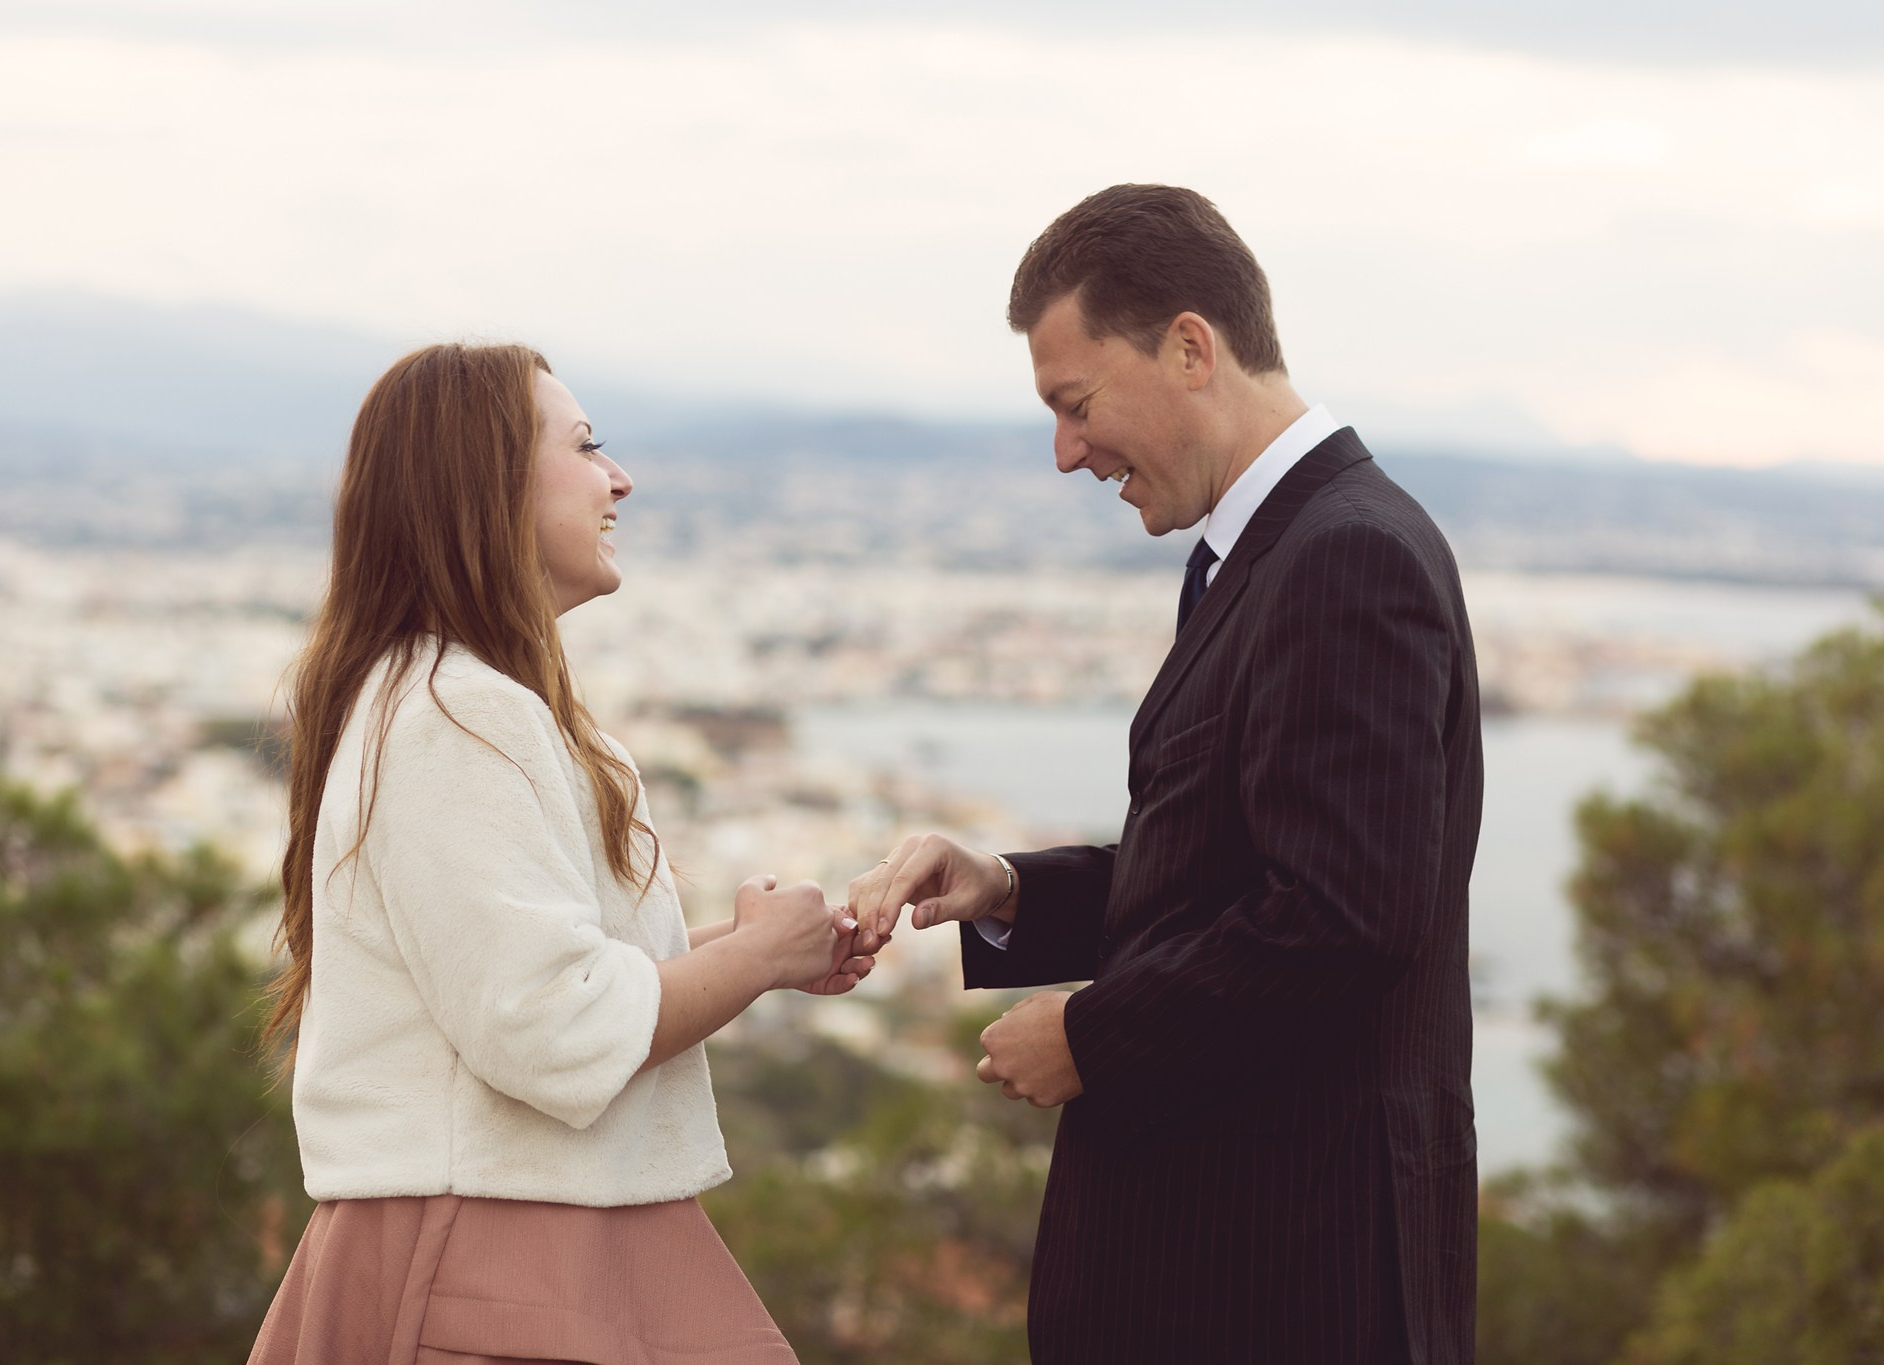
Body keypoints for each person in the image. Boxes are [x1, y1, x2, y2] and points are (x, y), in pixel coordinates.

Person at [849, 185, 1484, 1364]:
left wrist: (1092, 1037)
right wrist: (1002, 890)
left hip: (1280, 1281)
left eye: (1075, 404)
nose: (1064, 453)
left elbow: (1342, 920)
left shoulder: (1341, 556)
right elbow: (1219, 877)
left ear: (1190, 348)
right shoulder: (1277, 551)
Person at [248, 342, 870, 1365]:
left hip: (519, 1232)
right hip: (496, 1256)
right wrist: (753, 958)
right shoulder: (458, 713)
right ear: (483, 487)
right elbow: (552, 1028)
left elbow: (542, 979)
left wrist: (762, 953)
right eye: (586, 447)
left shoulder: (467, 703)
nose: (619, 478)